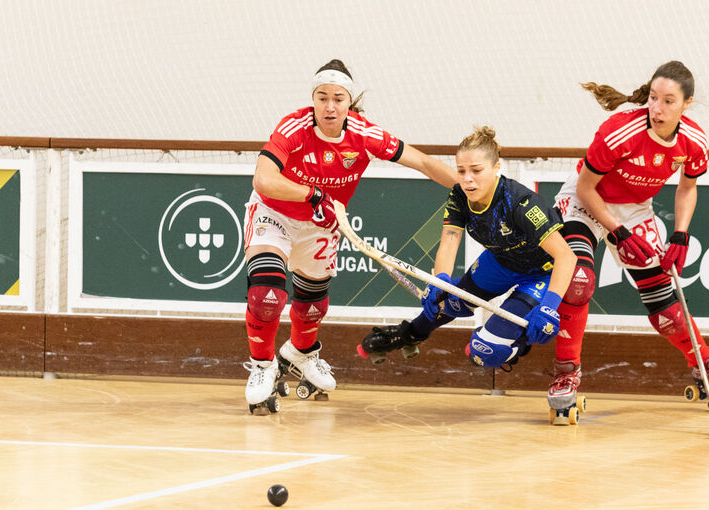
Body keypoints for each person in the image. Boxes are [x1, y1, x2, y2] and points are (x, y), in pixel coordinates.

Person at [242, 59, 458, 411]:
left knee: (312, 305)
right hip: (275, 213)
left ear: (349, 101)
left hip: (321, 224)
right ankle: (263, 366)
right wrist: (312, 194)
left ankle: (301, 353)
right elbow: (263, 180)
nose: (329, 106)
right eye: (322, 97)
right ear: (312, 99)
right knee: (266, 295)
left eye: (338, 98)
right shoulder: (293, 127)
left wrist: (470, 189)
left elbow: (422, 162)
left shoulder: (365, 134)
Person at [552, 61, 709, 413]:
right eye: (654, 98)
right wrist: (617, 230)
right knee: (578, 281)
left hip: (636, 208)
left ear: (687, 103)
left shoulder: (693, 141)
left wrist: (681, 235)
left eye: (669, 101)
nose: (657, 108)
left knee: (664, 302)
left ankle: (706, 365)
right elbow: (586, 186)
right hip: (586, 202)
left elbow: (688, 188)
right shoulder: (619, 131)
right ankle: (566, 373)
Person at [360, 126, 576, 375]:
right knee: (448, 302)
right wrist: (440, 281)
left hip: (540, 272)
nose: (467, 179)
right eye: (461, 171)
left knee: (485, 351)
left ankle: (519, 343)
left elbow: (565, 256)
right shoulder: (460, 195)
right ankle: (410, 334)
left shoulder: (521, 203)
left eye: (476, 170)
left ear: (496, 168)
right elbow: (450, 241)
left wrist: (549, 306)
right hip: (500, 263)